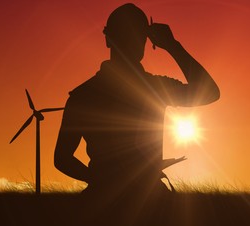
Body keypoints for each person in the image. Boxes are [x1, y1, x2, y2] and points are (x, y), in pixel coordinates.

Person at [54, 3, 219, 200]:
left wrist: (99, 180)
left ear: (108, 38)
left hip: (102, 201)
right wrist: (172, 45)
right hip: (151, 201)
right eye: (132, 36)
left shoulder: (83, 95)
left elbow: (62, 159)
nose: (133, 41)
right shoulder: (156, 88)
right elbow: (209, 92)